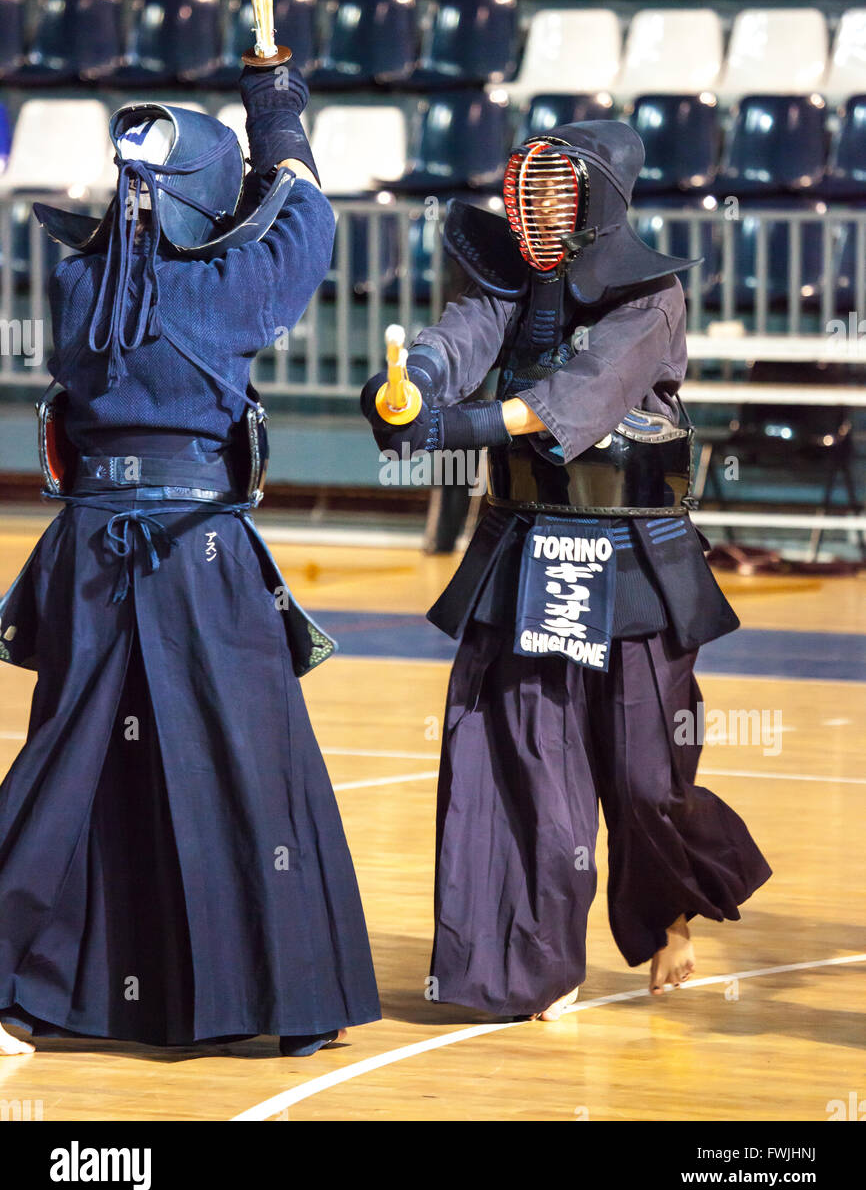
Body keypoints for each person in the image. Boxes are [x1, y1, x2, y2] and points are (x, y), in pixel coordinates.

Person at [0, 63, 380, 1057]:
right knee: (249, 763)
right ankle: (282, 1000)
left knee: (69, 761)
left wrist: (245, 175)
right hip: (198, 551)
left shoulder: (77, 278)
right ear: (209, 198)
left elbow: (195, 244)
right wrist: (276, 114)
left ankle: (30, 989)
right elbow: (306, 221)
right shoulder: (233, 285)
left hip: (90, 544)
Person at [361, 121, 772, 1021]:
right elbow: (458, 338)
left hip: (632, 562)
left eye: (560, 190)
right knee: (520, 764)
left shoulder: (651, 298)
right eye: (531, 189)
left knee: (644, 779)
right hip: (523, 553)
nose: (539, 207)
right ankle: (529, 963)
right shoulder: (508, 277)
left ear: (601, 200)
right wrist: (411, 388)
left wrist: (453, 429)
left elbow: (574, 400)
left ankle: (670, 910)